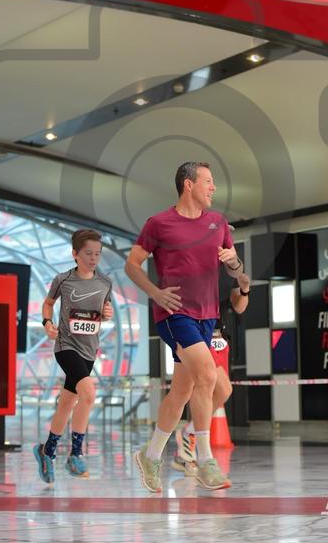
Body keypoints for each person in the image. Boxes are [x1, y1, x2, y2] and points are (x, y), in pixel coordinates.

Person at [125, 161, 244, 492]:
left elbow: (236, 269)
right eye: (208, 181)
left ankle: (150, 455)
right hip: (174, 313)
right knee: (207, 375)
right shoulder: (159, 223)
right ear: (188, 184)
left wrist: (234, 264)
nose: (213, 187)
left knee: (181, 391)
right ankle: (204, 460)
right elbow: (132, 264)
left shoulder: (218, 223)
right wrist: (155, 293)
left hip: (207, 316)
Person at [33, 228, 113, 483]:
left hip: (90, 350)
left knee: (67, 402)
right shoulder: (63, 280)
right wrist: (47, 323)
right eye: (88, 253)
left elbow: (104, 310)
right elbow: (48, 303)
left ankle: (47, 451)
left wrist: (107, 314)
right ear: (75, 254)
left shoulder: (105, 283)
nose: (94, 258)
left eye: (97, 254)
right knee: (88, 393)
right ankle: (75, 454)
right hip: (66, 346)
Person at [173, 270, 250, 472]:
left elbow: (239, 306)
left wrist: (244, 289)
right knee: (210, 390)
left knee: (219, 392)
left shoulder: (228, 267)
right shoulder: (191, 265)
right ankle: (194, 447)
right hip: (196, 334)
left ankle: (188, 436)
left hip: (219, 338)